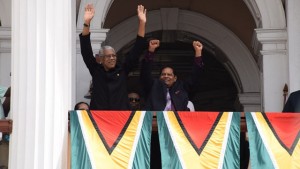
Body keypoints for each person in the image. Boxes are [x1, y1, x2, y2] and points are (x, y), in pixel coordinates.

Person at [79, 4, 147, 110]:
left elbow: (137, 50)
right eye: (108, 56)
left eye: (114, 56)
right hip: (99, 117)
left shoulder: (123, 69)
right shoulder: (96, 70)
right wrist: (87, 22)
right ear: (101, 59)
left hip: (120, 118)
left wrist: (142, 23)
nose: (112, 58)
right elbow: (85, 50)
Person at [141, 40, 204, 111]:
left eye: (169, 74)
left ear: (175, 78)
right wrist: (151, 51)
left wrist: (198, 52)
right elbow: (145, 72)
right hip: (156, 120)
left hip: (177, 121)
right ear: (160, 77)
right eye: (163, 74)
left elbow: (195, 76)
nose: (166, 76)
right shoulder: (153, 86)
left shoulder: (182, 87)